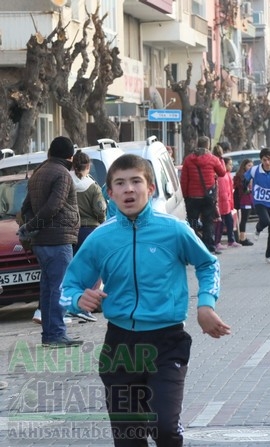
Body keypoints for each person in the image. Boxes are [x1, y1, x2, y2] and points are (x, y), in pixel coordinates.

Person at [61, 154, 231, 446]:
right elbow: (67, 287)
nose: (129, 189)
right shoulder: (101, 239)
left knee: (164, 427)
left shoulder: (174, 230)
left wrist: (205, 304)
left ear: (150, 189)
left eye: (136, 181)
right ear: (110, 193)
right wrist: (79, 298)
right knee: (129, 437)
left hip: (167, 342)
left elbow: (207, 264)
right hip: (120, 346)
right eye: (120, 183)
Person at [19, 136, 83, 348]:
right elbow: (54, 206)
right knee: (59, 288)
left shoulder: (38, 172)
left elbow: (25, 207)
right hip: (58, 240)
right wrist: (32, 225)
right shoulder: (62, 174)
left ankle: (49, 334)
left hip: (41, 242)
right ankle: (56, 334)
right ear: (70, 156)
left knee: (47, 289)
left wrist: (31, 226)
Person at [68, 150, 107, 323]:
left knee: (72, 269)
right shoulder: (92, 187)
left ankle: (71, 304)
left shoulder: (66, 182)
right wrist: (101, 220)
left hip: (69, 231)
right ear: (88, 166)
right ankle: (86, 307)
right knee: (93, 271)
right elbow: (100, 210)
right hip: (89, 231)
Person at [181, 136, 226, 254]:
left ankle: (193, 246)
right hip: (208, 197)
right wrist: (220, 159)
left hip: (193, 197)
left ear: (197, 144)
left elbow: (184, 180)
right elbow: (222, 173)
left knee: (192, 222)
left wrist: (185, 196)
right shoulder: (213, 159)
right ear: (208, 145)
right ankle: (209, 246)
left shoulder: (188, 159)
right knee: (208, 221)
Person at [247, 148, 270, 263]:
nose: (267, 162)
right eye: (264, 160)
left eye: (269, 159)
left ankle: (269, 254)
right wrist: (245, 188)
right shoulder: (255, 170)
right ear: (261, 160)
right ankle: (258, 229)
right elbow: (244, 178)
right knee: (265, 220)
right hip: (260, 201)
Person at [212, 152, 239, 250]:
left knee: (229, 222)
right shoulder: (222, 176)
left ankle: (231, 240)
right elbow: (222, 193)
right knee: (220, 223)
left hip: (227, 204)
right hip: (222, 205)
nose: (231, 166)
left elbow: (229, 191)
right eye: (230, 164)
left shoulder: (227, 175)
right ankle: (217, 242)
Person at [233, 159, 254, 246]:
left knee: (244, 219)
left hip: (248, 199)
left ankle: (243, 236)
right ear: (244, 166)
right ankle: (242, 238)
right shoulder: (242, 176)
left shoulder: (248, 175)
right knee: (244, 220)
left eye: (252, 166)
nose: (251, 167)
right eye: (249, 165)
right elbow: (244, 189)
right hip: (245, 199)